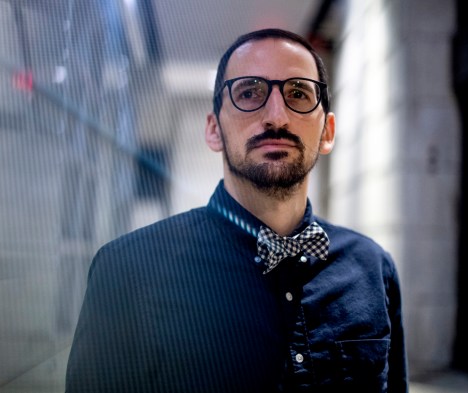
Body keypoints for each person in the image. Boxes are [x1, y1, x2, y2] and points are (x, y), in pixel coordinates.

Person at [65, 28, 408, 392]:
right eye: (249, 93)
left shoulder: (373, 268)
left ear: (327, 131)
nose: (277, 116)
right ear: (214, 130)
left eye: (297, 93)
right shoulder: (128, 270)